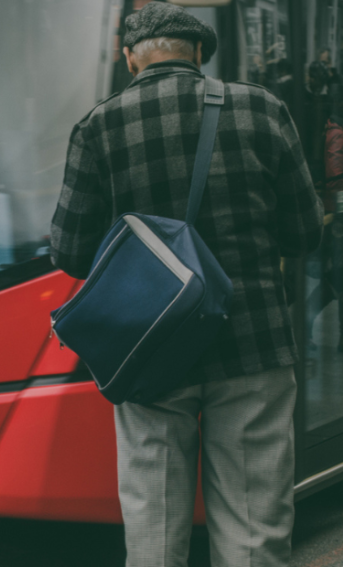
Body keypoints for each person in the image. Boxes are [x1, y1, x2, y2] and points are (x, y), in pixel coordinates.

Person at [49, 3, 324, 566]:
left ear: (130, 59)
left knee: (154, 525)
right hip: (253, 344)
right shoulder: (262, 109)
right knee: (254, 528)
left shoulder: (99, 127)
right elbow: (303, 233)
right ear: (199, 54)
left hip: (148, 346)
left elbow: (70, 253)